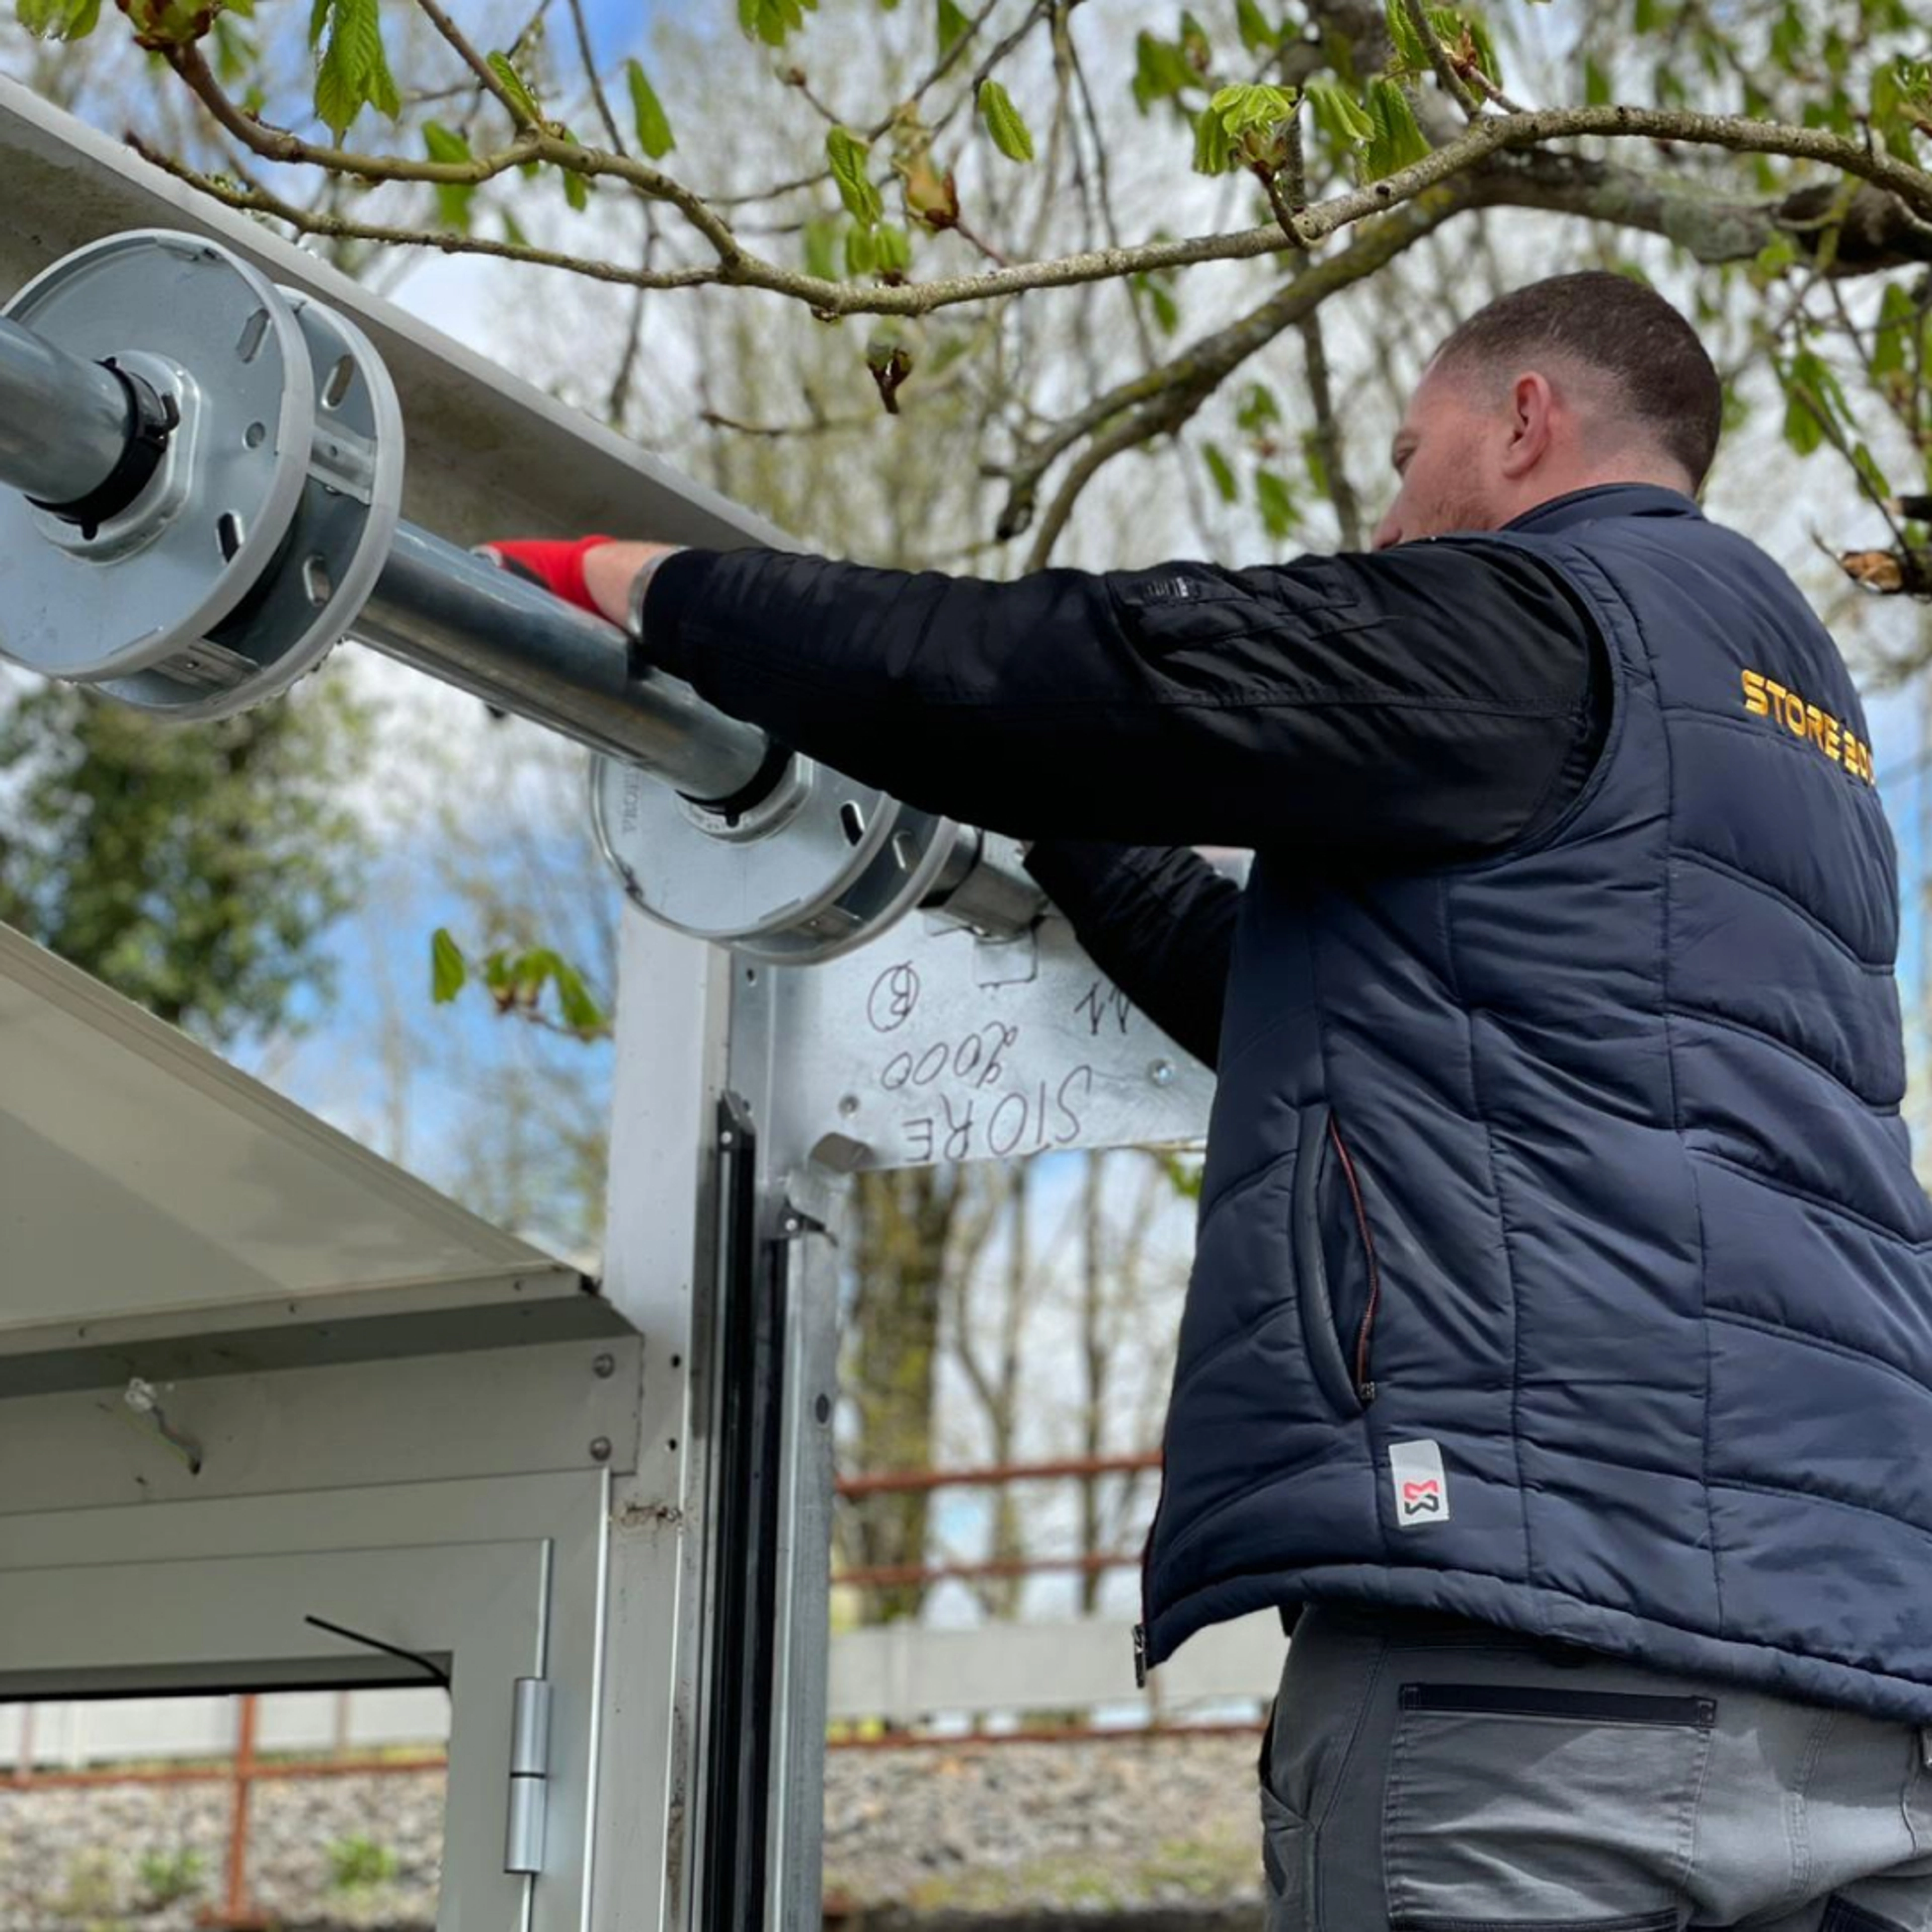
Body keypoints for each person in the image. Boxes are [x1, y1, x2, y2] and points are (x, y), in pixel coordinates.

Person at [489, 272, 1932, 1930]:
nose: (1393, 522)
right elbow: (1308, 992)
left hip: (1541, 1694)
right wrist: (1056, 824)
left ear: (1526, 422)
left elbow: (1085, 668)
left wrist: (653, 590)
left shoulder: (1538, 618)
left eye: (1414, 454)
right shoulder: (1803, 754)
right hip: (1874, 1705)